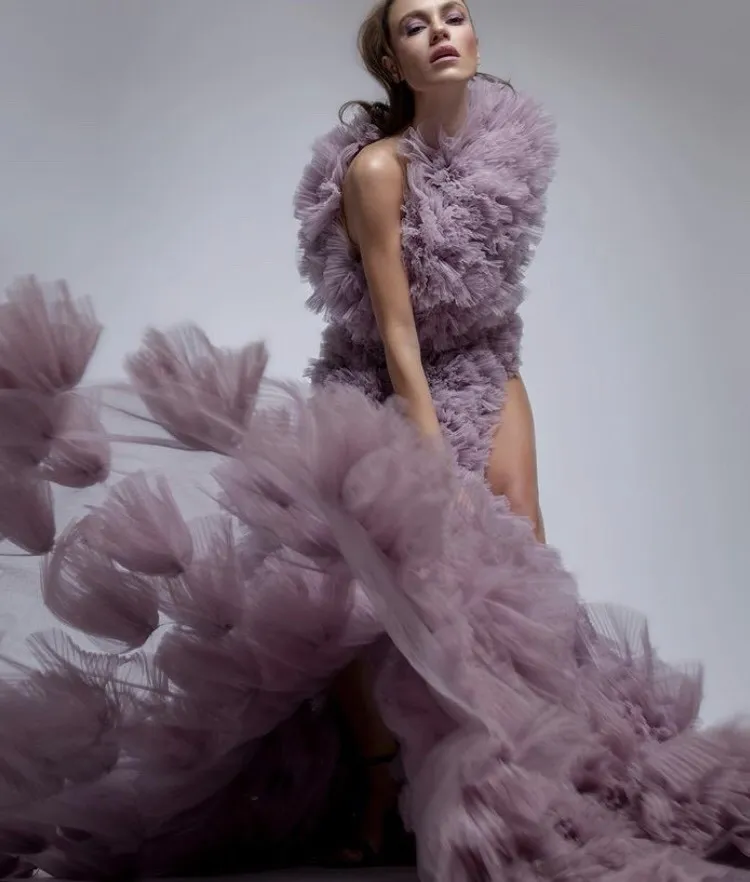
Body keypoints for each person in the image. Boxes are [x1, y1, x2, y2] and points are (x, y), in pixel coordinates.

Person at [0, 1, 748, 881]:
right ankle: (379, 776)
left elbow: (486, 308)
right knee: (359, 595)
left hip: (486, 368)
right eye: (414, 26)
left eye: (453, 15)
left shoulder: (507, 150)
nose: (440, 31)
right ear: (393, 62)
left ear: (474, 37)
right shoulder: (376, 169)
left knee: (520, 557)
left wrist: (494, 401)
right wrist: (427, 458)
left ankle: (543, 765)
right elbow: (396, 330)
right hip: (384, 384)